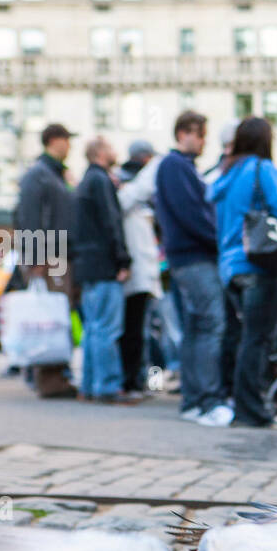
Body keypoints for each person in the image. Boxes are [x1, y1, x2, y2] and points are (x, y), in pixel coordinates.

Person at [208, 116, 277, 430]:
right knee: (258, 340)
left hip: (231, 267)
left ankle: (239, 405)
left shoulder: (227, 173)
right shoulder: (263, 169)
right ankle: (253, 412)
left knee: (244, 338)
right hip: (261, 264)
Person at [155, 111, 230, 426]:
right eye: (200, 135)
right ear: (184, 133)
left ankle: (195, 400)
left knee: (196, 329)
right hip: (194, 258)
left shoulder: (179, 167)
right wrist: (218, 240)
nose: (203, 142)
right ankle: (207, 400)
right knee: (209, 326)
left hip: (188, 258)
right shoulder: (175, 166)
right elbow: (192, 215)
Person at [15, 122, 79, 398]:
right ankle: (49, 380)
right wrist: (36, 260)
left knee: (55, 316)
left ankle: (55, 376)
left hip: (57, 254)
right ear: (55, 140)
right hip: (50, 257)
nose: (70, 146)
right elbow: (29, 218)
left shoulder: (51, 174)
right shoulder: (39, 175)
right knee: (48, 317)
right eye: (67, 140)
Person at [72, 137, 133, 404]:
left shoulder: (85, 182)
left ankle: (90, 384)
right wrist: (123, 259)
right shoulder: (100, 181)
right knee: (107, 328)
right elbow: (111, 221)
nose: (115, 151)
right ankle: (107, 386)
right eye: (110, 147)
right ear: (99, 153)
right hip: (104, 264)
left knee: (94, 328)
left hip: (88, 265)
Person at [116, 139, 162, 398]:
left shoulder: (127, 186)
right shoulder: (129, 190)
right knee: (139, 332)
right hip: (137, 272)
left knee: (144, 332)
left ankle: (144, 381)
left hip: (143, 271)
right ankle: (133, 382)